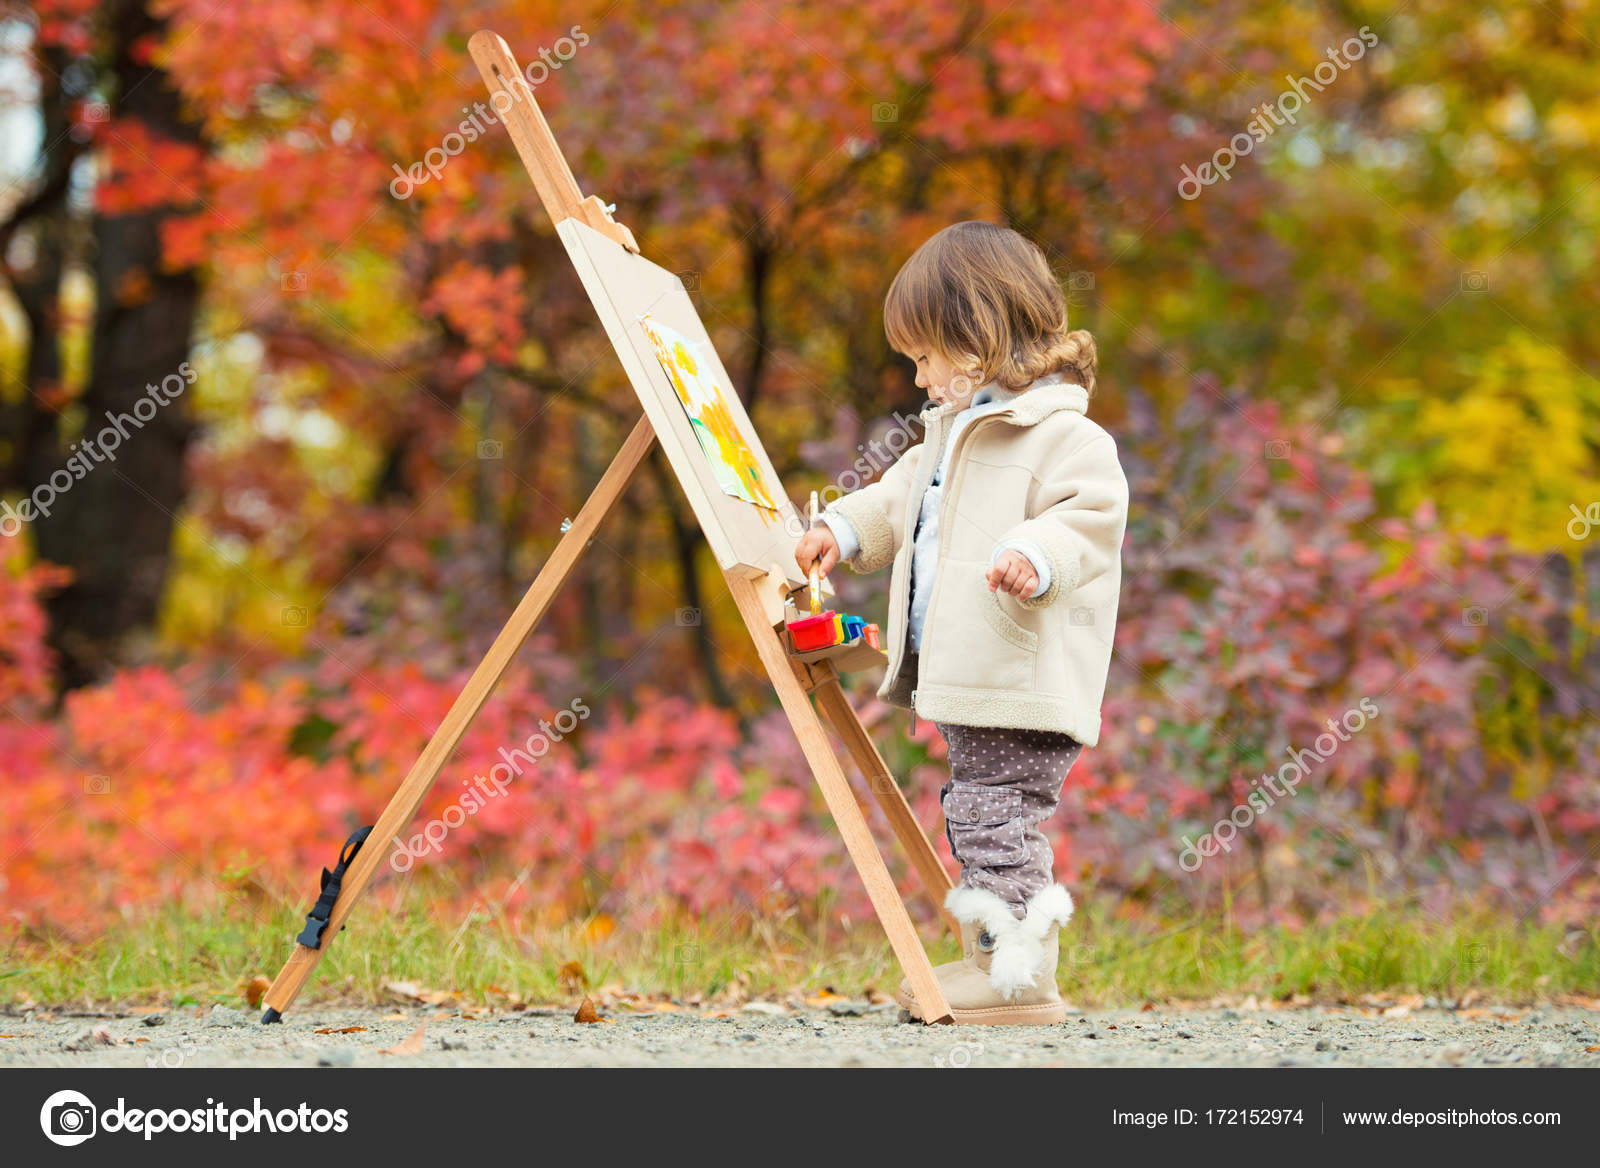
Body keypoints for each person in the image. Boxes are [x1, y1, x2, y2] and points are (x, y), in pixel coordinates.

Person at [794, 221, 1129, 1024]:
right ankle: (996, 960)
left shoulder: (1064, 435)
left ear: (975, 338)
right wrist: (840, 531)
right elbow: (896, 498)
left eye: (923, 357)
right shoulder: (949, 435)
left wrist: (1035, 555)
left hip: (1019, 675)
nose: (917, 378)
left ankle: (1020, 979)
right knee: (982, 816)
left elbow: (1092, 517)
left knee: (996, 817)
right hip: (975, 675)